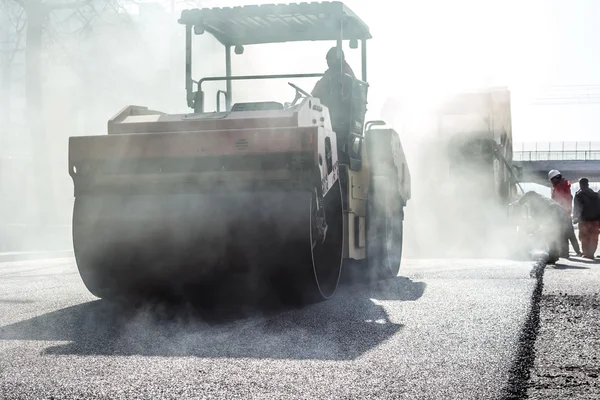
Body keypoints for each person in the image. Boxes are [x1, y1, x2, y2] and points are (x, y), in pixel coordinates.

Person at [513, 191, 582, 263]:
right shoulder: (543, 199)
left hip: (555, 216)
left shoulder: (537, 203)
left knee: (551, 235)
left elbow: (539, 218)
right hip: (563, 214)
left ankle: (555, 255)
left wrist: (534, 231)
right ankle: (562, 254)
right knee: (565, 234)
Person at [573, 177, 600, 259]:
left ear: (580, 184)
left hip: (584, 219)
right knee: (593, 237)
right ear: (588, 184)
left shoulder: (579, 194)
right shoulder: (595, 194)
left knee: (584, 237)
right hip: (595, 219)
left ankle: (586, 254)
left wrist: (575, 218)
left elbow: (577, 208)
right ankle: (591, 253)